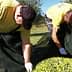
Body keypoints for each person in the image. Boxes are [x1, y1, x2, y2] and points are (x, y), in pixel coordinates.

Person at [0, 0, 36, 72]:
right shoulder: (4, 8)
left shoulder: (25, 22)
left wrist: (27, 61)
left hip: (8, 31)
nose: (23, 26)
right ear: (18, 15)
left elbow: (26, 43)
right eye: (23, 23)